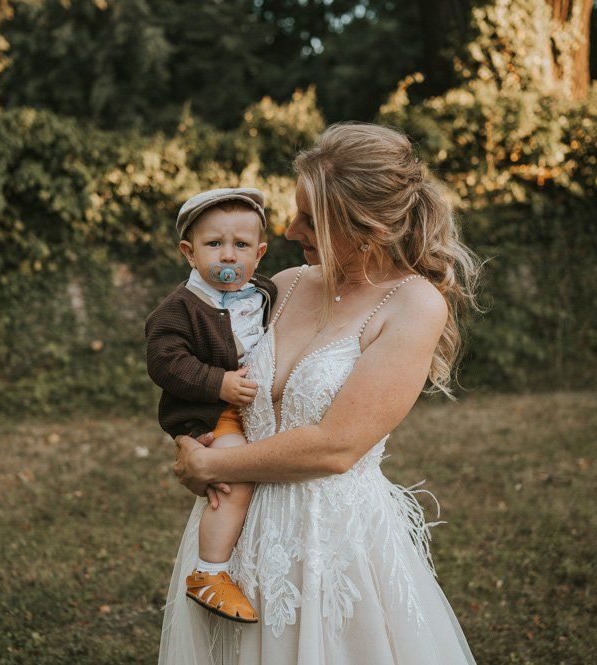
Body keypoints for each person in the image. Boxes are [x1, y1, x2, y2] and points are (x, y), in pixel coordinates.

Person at [158, 122, 481, 664]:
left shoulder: (414, 305)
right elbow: (211, 376)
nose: (288, 230)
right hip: (233, 534)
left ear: (364, 224)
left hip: (331, 542)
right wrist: (190, 441)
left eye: (310, 218)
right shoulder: (282, 286)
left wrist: (214, 468)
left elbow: (337, 446)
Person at [145, 187, 279, 624]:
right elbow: (166, 362)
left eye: (240, 246)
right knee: (232, 478)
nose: (227, 256)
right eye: (213, 244)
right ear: (189, 251)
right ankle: (210, 572)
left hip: (256, 413)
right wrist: (216, 382)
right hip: (212, 414)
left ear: (258, 254)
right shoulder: (179, 308)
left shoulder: (264, 293)